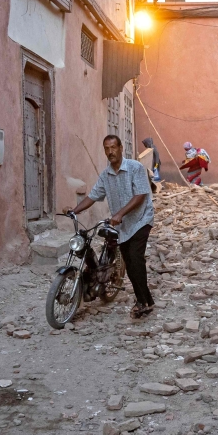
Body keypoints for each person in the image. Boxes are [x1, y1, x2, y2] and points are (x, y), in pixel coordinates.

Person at [65, 135, 155, 319]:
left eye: (113, 147)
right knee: (129, 264)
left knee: (135, 260)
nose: (110, 151)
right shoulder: (105, 175)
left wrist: (120, 214)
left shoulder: (135, 168)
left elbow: (140, 196)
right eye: (106, 148)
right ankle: (146, 300)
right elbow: (93, 196)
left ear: (121, 148)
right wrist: (75, 210)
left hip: (140, 220)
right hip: (122, 226)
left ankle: (143, 302)